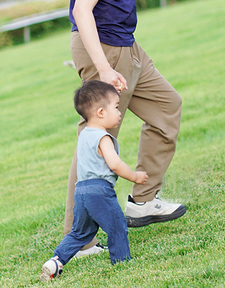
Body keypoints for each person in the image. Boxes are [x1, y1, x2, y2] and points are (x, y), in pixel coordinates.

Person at [64, 0, 186, 255]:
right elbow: (83, 10)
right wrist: (102, 69)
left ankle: (142, 202)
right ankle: (79, 240)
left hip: (124, 43)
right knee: (98, 142)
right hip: (106, 49)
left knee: (167, 106)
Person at [41, 81, 148, 282]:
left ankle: (56, 260)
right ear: (100, 112)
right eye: (116, 107)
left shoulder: (84, 136)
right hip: (100, 191)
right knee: (117, 227)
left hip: (80, 191)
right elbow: (115, 164)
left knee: (79, 233)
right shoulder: (103, 138)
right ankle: (122, 264)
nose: (119, 113)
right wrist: (135, 176)